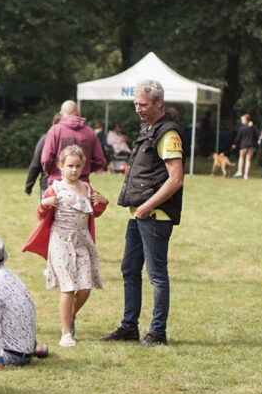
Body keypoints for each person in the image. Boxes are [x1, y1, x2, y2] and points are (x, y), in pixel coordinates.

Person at [100, 79, 184, 347]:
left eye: (143, 104)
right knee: (129, 268)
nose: (138, 109)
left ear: (159, 103)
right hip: (138, 215)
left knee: (156, 274)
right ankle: (129, 327)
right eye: (136, 103)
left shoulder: (168, 134)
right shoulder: (149, 129)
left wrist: (148, 206)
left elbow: (176, 179)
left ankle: (157, 332)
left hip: (154, 216)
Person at [38, 145, 108, 347]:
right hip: (61, 241)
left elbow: (94, 212)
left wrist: (103, 202)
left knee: (85, 287)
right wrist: (45, 203)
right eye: (70, 166)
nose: (74, 170)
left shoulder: (86, 188)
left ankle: (69, 317)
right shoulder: (56, 188)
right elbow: (41, 214)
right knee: (68, 287)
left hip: (82, 241)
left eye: (78, 166)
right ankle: (66, 334)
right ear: (61, 166)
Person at [0, 233, 47, 370]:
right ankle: (35, 349)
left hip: (12, 355)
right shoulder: (9, 274)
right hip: (25, 346)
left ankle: (3, 357)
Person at [41, 100, 106, 187]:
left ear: (61, 114)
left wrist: (52, 173)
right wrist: (82, 169)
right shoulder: (90, 132)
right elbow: (100, 161)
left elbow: (46, 159)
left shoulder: (55, 131)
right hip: (82, 185)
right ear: (78, 113)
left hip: (57, 183)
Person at [25, 113, 61, 196]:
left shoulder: (45, 138)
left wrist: (28, 186)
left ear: (53, 123)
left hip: (47, 184)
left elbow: (36, 164)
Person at [232, 114, 259, 179]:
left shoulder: (242, 128)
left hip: (243, 145)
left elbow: (238, 137)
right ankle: (246, 175)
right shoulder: (253, 127)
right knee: (248, 160)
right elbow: (257, 134)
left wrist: (235, 143)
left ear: (245, 120)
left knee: (241, 158)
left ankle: (240, 171)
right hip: (251, 145)